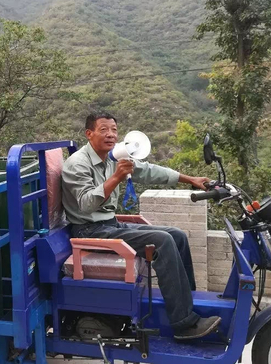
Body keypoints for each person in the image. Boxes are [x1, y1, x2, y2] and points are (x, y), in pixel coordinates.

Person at [61, 111, 222, 340]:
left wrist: (191, 179)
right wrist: (116, 178)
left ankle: (189, 303)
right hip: (89, 230)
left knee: (177, 235)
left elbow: (149, 171)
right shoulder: (77, 164)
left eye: (114, 130)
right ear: (89, 134)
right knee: (162, 241)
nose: (111, 135)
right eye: (103, 130)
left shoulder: (113, 158)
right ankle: (184, 324)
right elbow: (86, 205)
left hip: (109, 225)